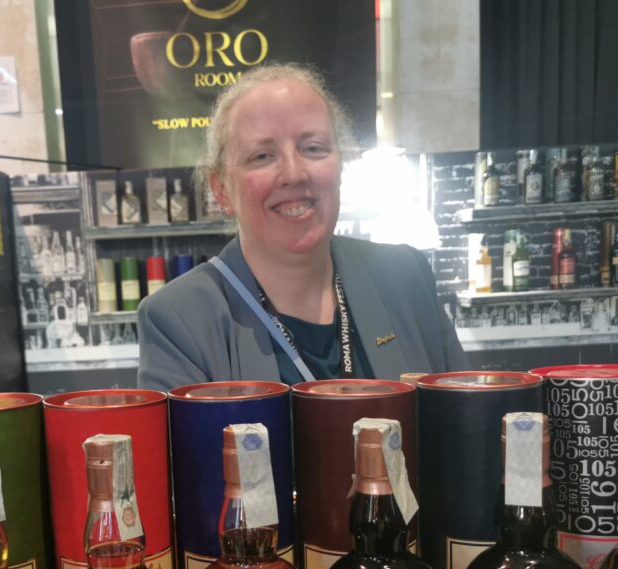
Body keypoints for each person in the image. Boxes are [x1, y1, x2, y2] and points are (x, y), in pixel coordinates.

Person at [136, 63, 466, 392]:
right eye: (262, 156)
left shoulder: (406, 277)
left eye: (313, 148)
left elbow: (462, 416)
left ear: (340, 167)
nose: (294, 174)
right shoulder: (179, 319)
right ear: (221, 189)